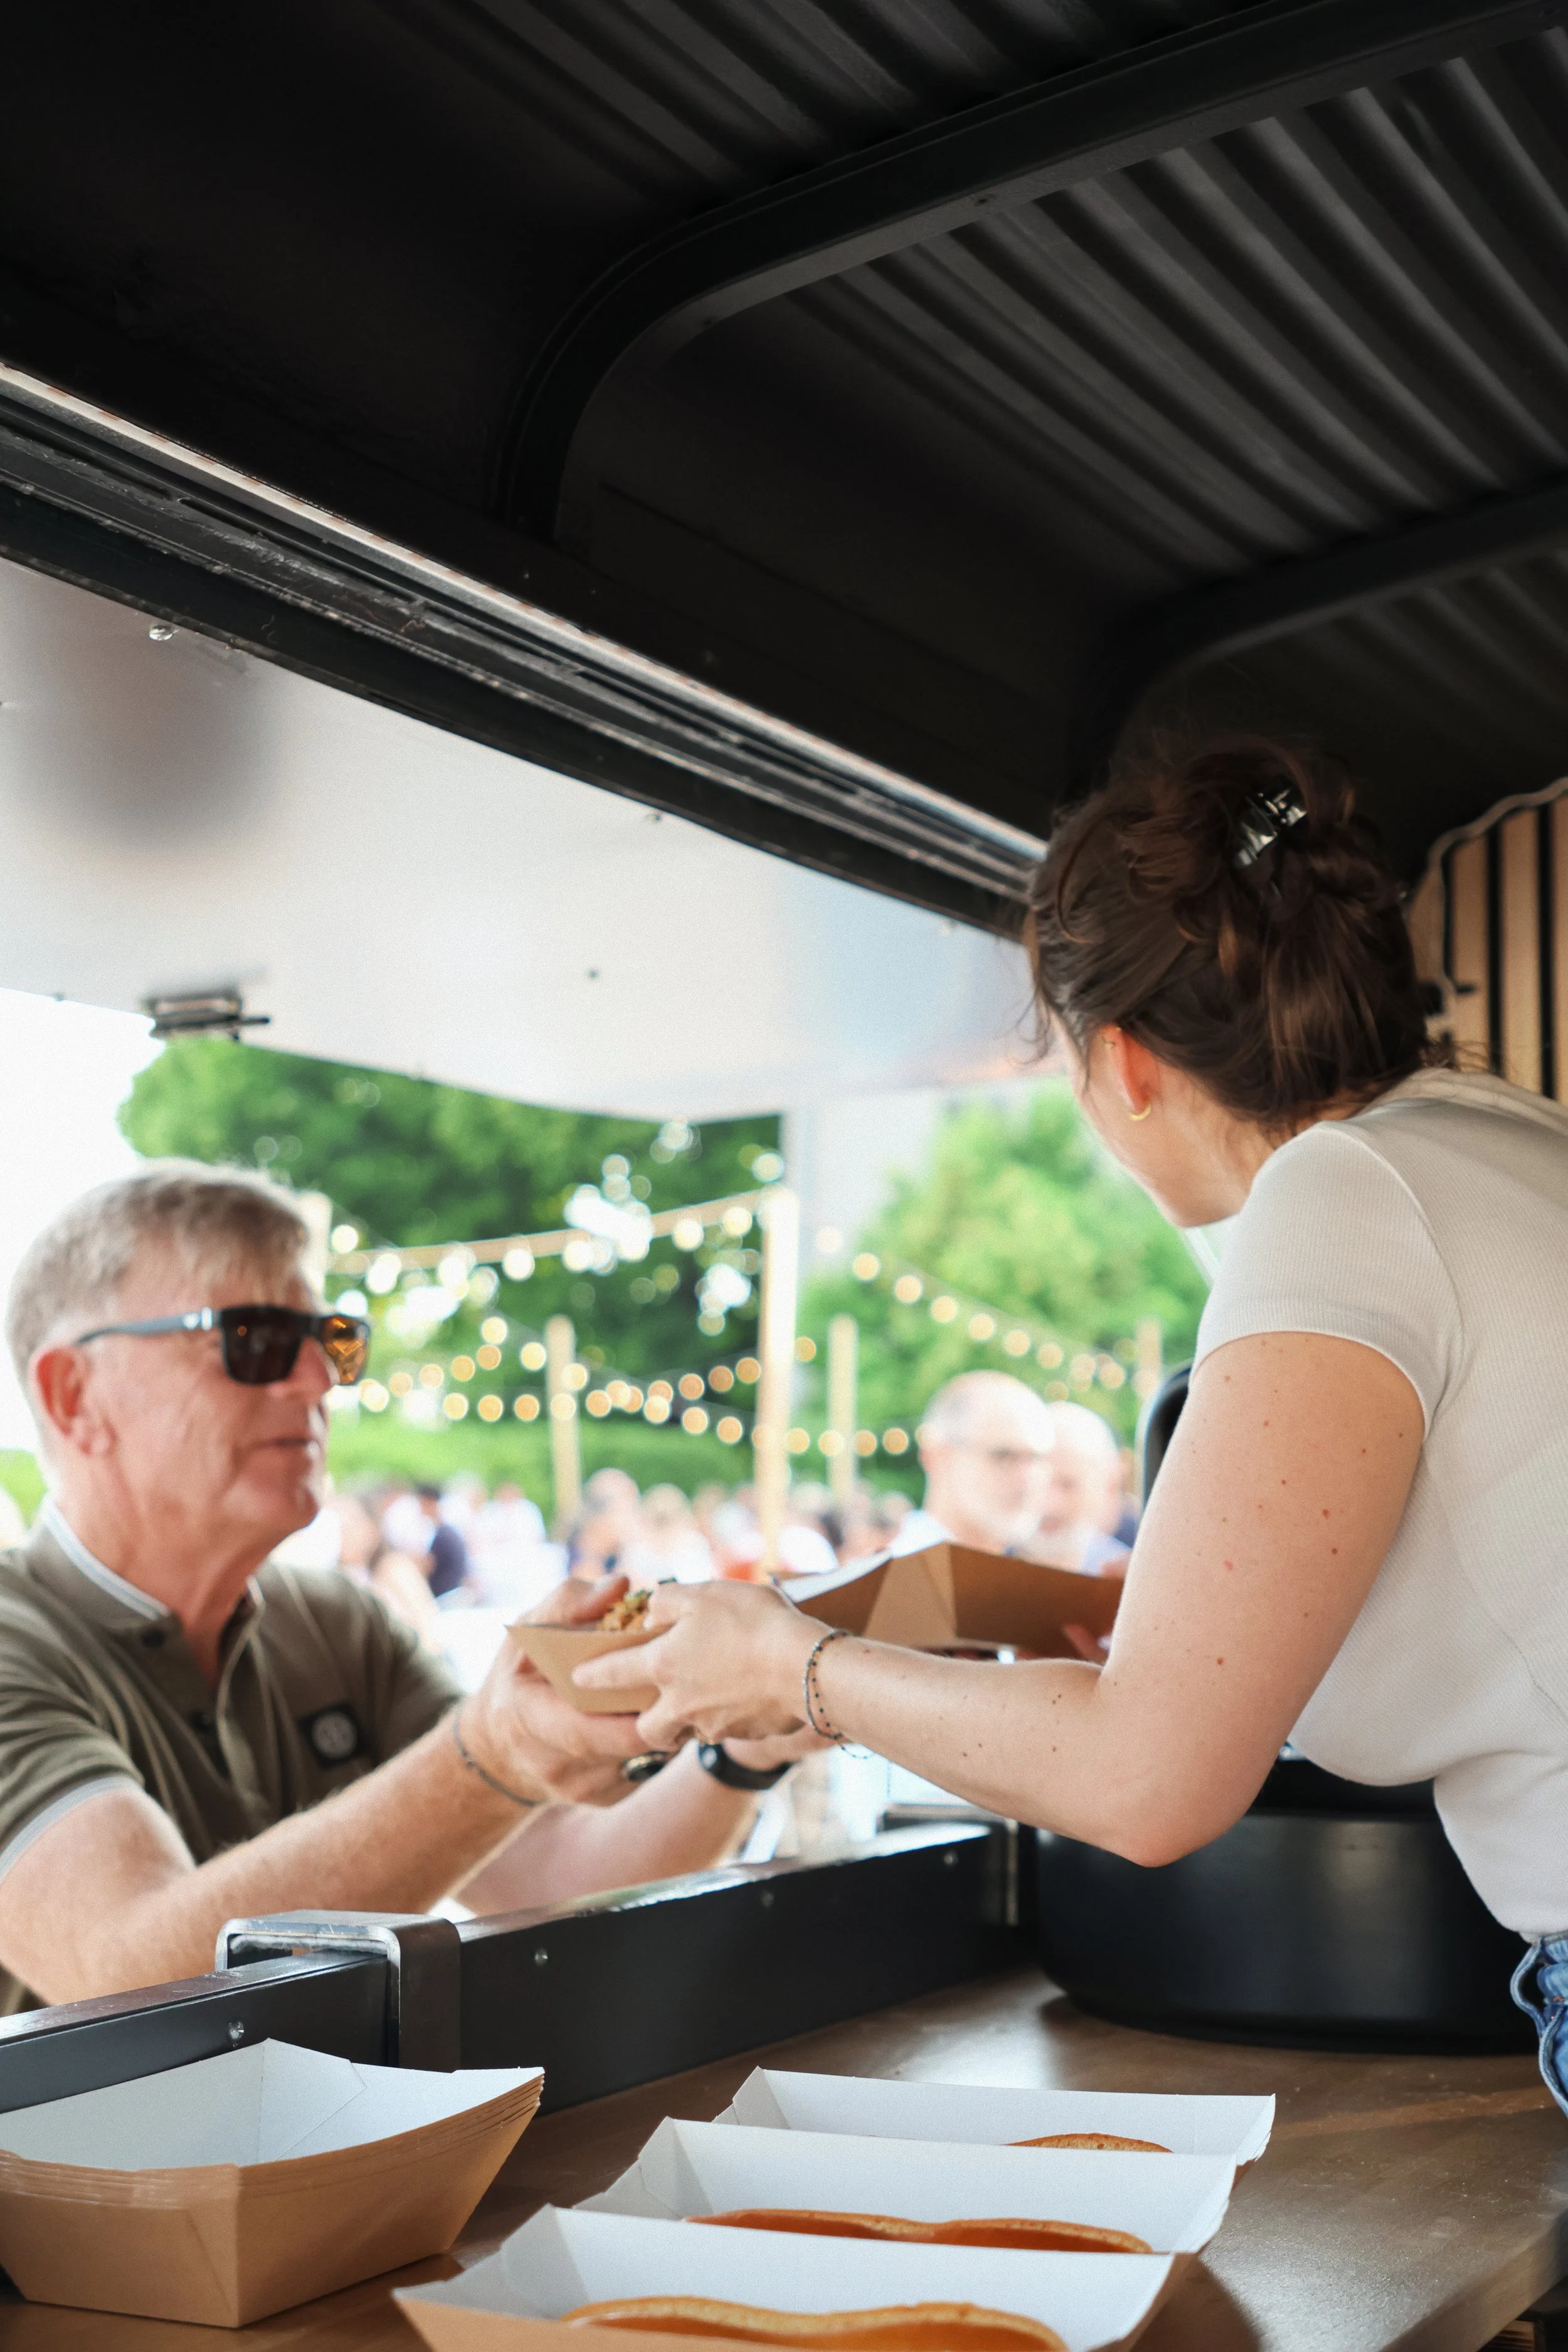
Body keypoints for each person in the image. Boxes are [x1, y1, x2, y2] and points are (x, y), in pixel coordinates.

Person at [579, 733, 1568, 2121]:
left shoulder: (1337, 1196)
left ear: (1124, 1061)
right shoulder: (1502, 1138)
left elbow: (1148, 1782)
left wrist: (792, 1665)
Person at [0, 1163, 812, 2014]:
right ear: (73, 1394)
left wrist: (754, 1740)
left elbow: (564, 1873)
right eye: (254, 1339)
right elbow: (128, 1980)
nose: (318, 1379)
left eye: (331, 1339)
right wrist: (490, 1755)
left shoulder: (335, 1622)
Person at [891, 1371, 1054, 1555]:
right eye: (1003, 1456)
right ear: (938, 1457)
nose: (1026, 1478)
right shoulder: (897, 1570)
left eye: (1037, 1458)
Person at [1026, 1402, 1130, 1576]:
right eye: (1039, 1484)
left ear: (1109, 1486)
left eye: (1068, 1485)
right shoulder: (987, 1560)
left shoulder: (1128, 1577)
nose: (1049, 1505)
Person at [413, 1482, 470, 1602]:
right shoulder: (447, 1532)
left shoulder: (443, 1536)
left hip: (445, 1599)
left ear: (429, 1501)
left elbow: (425, 1567)